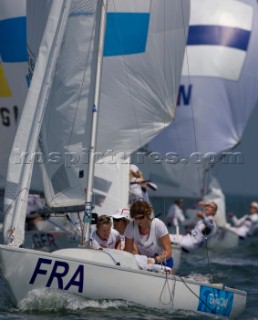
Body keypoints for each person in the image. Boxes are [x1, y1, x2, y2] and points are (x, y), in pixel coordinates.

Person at [124, 199, 173, 268]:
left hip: (163, 262)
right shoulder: (130, 227)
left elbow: (169, 251)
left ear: (147, 215)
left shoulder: (158, 225)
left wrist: (155, 260)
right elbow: (128, 252)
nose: (138, 220)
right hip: (144, 262)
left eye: (141, 217)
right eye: (136, 218)